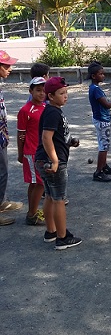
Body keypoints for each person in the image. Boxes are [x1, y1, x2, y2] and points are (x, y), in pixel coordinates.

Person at [35, 77, 82, 250]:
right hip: (53, 162)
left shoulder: (53, 110)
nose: (65, 96)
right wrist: (55, 160)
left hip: (44, 160)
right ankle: (62, 238)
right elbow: (46, 138)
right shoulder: (52, 112)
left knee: (50, 196)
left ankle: (51, 232)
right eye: (61, 93)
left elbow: (56, 137)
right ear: (51, 95)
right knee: (59, 199)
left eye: (66, 92)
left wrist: (70, 142)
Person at [17, 77, 47, 225]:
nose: (42, 94)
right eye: (38, 90)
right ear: (31, 91)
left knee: (34, 183)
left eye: (44, 91)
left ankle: (32, 210)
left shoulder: (45, 107)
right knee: (40, 183)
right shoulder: (25, 110)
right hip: (31, 152)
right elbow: (20, 133)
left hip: (42, 150)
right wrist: (20, 153)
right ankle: (31, 215)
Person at [0, 50, 23, 225]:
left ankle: (2, 201)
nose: (10, 69)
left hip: (2, 135)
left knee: (4, 170)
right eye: (6, 66)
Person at [87, 61, 111, 183]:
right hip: (102, 120)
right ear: (94, 76)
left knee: (105, 144)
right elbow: (105, 104)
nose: (103, 76)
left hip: (101, 119)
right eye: (101, 74)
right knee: (104, 146)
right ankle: (98, 172)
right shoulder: (95, 90)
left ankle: (104, 166)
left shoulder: (94, 88)